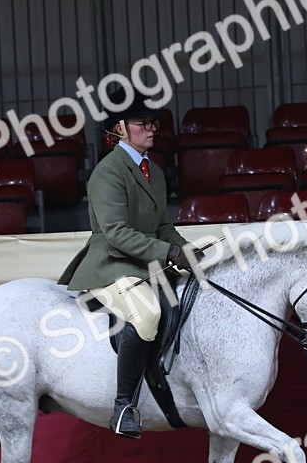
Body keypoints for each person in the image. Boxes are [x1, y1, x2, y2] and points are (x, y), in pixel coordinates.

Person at [59, 97, 203, 439]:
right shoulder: (107, 172)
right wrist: (166, 251)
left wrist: (186, 251)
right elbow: (118, 233)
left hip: (144, 260)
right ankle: (123, 406)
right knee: (147, 313)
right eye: (143, 124)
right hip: (112, 261)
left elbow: (163, 225)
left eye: (154, 124)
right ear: (120, 129)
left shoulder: (153, 169)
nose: (151, 130)